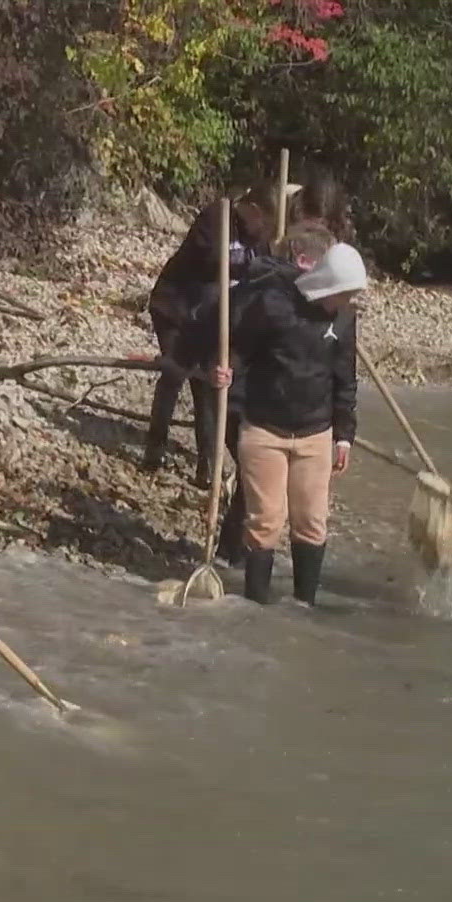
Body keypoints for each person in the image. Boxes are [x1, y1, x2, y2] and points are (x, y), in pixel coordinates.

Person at [171, 222, 344, 566]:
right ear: (305, 261)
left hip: (262, 399)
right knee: (261, 482)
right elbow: (204, 327)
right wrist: (210, 367)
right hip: (235, 396)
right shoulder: (264, 290)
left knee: (259, 484)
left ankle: (232, 555)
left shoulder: (305, 297)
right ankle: (229, 555)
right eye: (326, 266)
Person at [219, 242, 366, 605]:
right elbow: (238, 350)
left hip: (316, 433)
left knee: (311, 523)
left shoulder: (345, 320)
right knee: (265, 520)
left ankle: (305, 605)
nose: (345, 301)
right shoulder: (272, 304)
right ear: (326, 285)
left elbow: (345, 381)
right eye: (343, 294)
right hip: (264, 429)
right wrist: (224, 371)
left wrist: (344, 436)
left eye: (350, 295)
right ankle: (256, 604)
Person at [143, 181, 296, 484]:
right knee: (176, 372)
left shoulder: (261, 237)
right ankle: (155, 447)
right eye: (262, 221)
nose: (263, 229)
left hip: (213, 318)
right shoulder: (217, 217)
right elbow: (210, 261)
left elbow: (265, 270)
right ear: (251, 210)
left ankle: (207, 466)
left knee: (209, 383)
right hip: (177, 308)